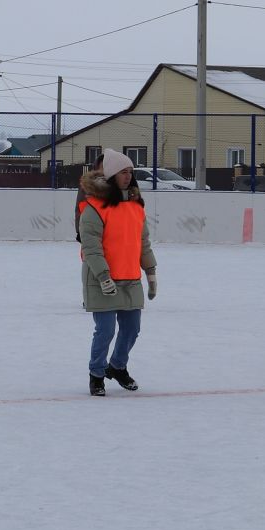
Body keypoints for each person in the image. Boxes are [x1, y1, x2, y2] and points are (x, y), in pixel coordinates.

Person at [76, 148, 157, 396]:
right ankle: (96, 374)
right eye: (123, 172)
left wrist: (151, 273)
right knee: (106, 330)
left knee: (132, 329)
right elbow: (91, 247)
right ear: (111, 175)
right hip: (102, 279)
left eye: (131, 172)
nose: (128, 176)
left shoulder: (135, 207)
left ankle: (117, 367)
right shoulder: (94, 207)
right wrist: (103, 277)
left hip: (130, 277)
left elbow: (142, 243)